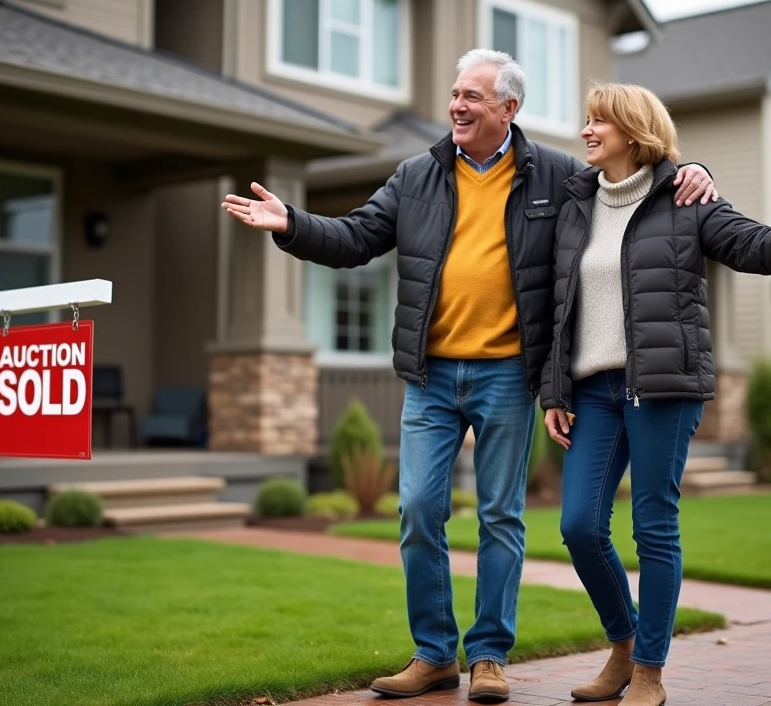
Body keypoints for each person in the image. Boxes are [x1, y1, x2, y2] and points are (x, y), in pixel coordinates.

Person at [222, 50, 717, 703]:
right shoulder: (416, 175)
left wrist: (695, 170)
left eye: (472, 96)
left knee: (500, 517)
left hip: (507, 372)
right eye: (455, 93)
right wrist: (292, 225)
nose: (457, 105)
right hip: (431, 374)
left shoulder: (557, 175)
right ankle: (434, 654)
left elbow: (633, 184)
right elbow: (357, 237)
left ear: (508, 108)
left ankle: (488, 656)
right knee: (418, 509)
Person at [539, 83, 771, 706]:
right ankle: (623, 645)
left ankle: (649, 672)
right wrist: (554, 389)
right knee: (579, 526)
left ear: (634, 131)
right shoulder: (576, 203)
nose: (586, 130)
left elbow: (755, 246)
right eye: (586, 120)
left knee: (654, 526)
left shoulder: (686, 196)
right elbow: (559, 305)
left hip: (663, 386)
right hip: (593, 390)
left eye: (600, 121)